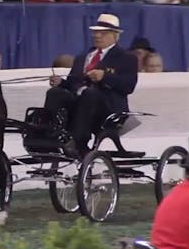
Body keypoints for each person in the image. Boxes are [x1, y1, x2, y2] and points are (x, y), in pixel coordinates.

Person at [45, 14, 138, 158]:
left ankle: (80, 141)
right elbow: (73, 83)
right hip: (81, 104)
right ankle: (48, 135)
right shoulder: (84, 57)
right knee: (55, 92)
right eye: (96, 32)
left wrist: (104, 77)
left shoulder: (126, 57)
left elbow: (128, 86)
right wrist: (61, 83)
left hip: (108, 108)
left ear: (115, 36)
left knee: (90, 93)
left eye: (103, 33)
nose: (97, 36)